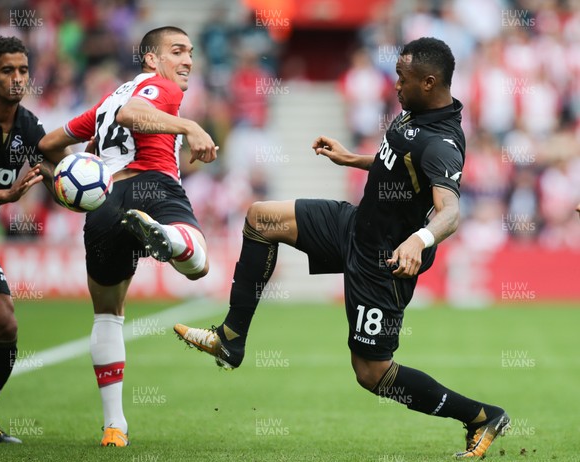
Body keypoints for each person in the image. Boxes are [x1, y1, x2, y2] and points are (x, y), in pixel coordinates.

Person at [175, 37, 510, 458]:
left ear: (428, 82)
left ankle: (481, 415)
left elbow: (450, 211)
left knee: (371, 374)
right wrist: (354, 159)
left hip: (384, 262)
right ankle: (231, 339)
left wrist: (418, 239)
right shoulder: (417, 111)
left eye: (402, 79)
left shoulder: (443, 143)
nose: (395, 85)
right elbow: (401, 163)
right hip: (354, 226)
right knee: (261, 219)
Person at [38, 26, 217, 447]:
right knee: (199, 263)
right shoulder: (160, 87)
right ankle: (168, 241)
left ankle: (114, 427)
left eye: (190, 52)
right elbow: (132, 115)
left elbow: (48, 143)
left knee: (107, 314)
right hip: (151, 184)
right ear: (151, 59)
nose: (188, 60)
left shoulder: (104, 101)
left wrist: (61, 182)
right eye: (177, 51)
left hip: (102, 202)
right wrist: (188, 125)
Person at [0, 36, 46, 443]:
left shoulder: (28, 125)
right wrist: (5, 196)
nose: (17, 78)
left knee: (4, 325)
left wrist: (84, 178)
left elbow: (52, 165)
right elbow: (8, 191)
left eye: (23, 70)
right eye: (7, 70)